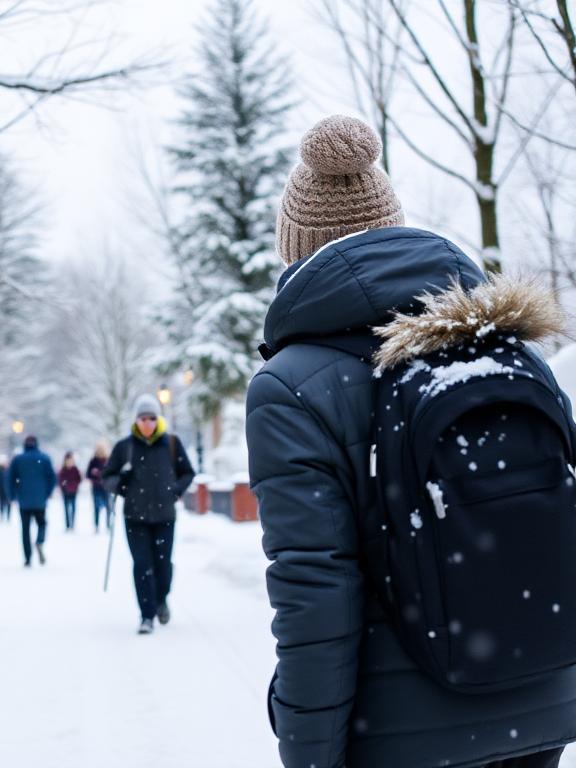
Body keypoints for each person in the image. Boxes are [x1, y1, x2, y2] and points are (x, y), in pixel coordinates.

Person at [247, 115, 576, 768]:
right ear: (392, 226)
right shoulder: (509, 350)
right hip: (541, 706)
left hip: (402, 734)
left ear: (297, 251)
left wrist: (309, 757)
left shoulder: (290, 387)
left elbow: (316, 598)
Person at [103, 394, 194, 635]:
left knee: (163, 565)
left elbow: (188, 473)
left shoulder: (172, 444)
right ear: (136, 420)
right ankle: (146, 615)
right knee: (142, 565)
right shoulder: (125, 447)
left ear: (158, 420)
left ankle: (161, 599)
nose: (147, 423)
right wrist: (121, 484)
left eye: (151, 418)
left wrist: (175, 491)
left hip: (165, 516)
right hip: (135, 517)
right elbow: (107, 477)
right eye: (143, 418)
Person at [7, 435, 56, 567]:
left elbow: (10, 478)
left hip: (24, 500)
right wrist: (48, 493)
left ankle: (28, 557)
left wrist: (12, 495)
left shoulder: (18, 459)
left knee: (25, 529)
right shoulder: (44, 458)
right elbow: (52, 477)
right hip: (40, 500)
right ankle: (40, 540)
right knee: (42, 523)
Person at [85, 441, 110, 532]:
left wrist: (104, 474)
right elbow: (88, 474)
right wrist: (94, 474)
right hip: (96, 487)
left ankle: (108, 525)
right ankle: (96, 525)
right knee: (96, 507)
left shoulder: (108, 460)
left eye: (102, 449)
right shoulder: (93, 461)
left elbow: (112, 473)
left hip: (107, 488)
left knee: (108, 507)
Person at [57, 452, 82, 530]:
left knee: (73, 507)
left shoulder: (75, 469)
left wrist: (75, 485)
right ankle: (67, 524)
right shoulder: (63, 470)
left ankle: (72, 524)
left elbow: (79, 479)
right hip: (65, 492)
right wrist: (63, 486)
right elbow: (60, 480)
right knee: (66, 508)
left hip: (73, 491)